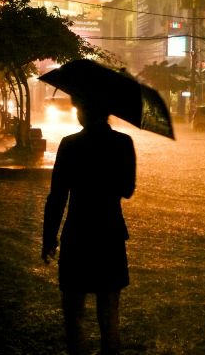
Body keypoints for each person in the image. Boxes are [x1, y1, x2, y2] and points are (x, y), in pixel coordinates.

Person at [42, 95, 136, 355]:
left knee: (73, 314)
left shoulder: (70, 145)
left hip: (77, 235)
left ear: (82, 113)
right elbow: (127, 190)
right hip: (110, 235)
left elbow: (58, 195)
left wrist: (49, 237)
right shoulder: (123, 143)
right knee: (109, 314)